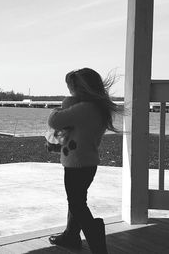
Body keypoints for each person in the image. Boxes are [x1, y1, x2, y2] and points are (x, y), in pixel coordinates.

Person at [47, 68, 122, 254]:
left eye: (71, 88)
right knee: (78, 200)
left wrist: (66, 103)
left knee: (76, 203)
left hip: (76, 164)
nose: (70, 91)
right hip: (87, 163)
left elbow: (54, 121)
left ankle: (96, 239)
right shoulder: (97, 108)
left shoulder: (83, 108)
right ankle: (71, 236)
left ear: (80, 89)